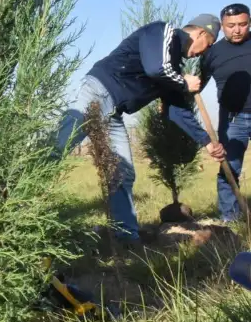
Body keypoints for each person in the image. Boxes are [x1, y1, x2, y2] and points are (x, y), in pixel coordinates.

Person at [55, 15, 226, 243]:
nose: (204, 52)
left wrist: (207, 142)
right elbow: (156, 68)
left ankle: (127, 238)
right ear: (202, 33)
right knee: (57, 148)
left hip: (114, 111)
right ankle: (14, 201)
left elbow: (177, 111)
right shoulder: (164, 31)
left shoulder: (174, 67)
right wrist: (184, 82)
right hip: (97, 93)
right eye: (209, 45)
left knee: (122, 173)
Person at [197, 3, 251, 221]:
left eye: (242, 24)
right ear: (223, 25)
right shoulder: (213, 52)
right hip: (232, 120)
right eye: (231, 26)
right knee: (229, 168)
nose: (237, 30)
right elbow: (197, 84)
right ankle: (230, 220)